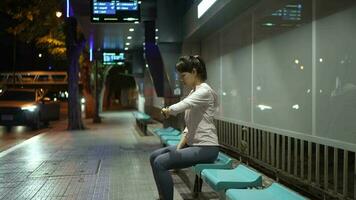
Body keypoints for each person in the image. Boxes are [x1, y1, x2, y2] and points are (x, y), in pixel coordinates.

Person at [149, 55, 220, 200]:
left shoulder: (204, 91)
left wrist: (168, 110)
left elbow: (183, 105)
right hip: (194, 145)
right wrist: (179, 147)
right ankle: (162, 196)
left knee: (160, 163)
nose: (182, 79)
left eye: (184, 75)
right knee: (154, 157)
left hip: (206, 148)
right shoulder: (194, 92)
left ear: (194, 72)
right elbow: (189, 126)